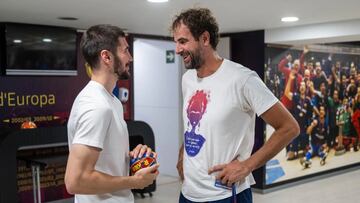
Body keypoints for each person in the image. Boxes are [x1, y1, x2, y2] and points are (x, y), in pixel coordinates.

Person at [171, 8, 299, 203]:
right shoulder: (187, 79)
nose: (177, 50)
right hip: (188, 194)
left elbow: (289, 127)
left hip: (226, 195)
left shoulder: (242, 79)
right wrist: (183, 156)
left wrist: (247, 166)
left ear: (205, 38)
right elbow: (193, 124)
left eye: (182, 41)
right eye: (176, 42)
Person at [64, 24, 159, 203]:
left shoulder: (111, 101)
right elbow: (75, 181)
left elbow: (105, 161)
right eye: (125, 51)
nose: (130, 58)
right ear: (106, 57)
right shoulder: (96, 106)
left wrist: (132, 158)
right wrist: (134, 181)